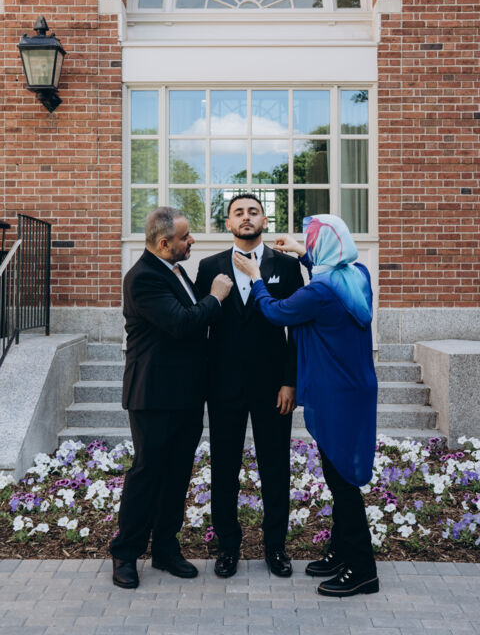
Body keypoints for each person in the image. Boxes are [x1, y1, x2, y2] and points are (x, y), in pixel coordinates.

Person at [233, 214, 379, 597]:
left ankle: (362, 569)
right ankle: (341, 552)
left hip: (336, 393)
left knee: (342, 482)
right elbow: (326, 271)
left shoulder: (319, 293)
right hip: (356, 388)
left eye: (310, 240)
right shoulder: (357, 276)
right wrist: (303, 254)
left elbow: (276, 311)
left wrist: (256, 277)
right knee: (340, 475)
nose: (307, 245)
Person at [110, 206, 233, 589]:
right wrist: (216, 297)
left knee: (178, 473)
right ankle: (125, 553)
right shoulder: (143, 278)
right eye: (185, 237)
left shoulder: (175, 270)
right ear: (164, 243)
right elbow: (182, 323)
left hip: (186, 395)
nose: (191, 240)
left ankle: (165, 548)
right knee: (147, 474)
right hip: (153, 396)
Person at [196, 194, 304, 578]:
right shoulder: (209, 267)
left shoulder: (286, 266)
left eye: (253, 212)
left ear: (264, 220)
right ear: (228, 223)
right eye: (238, 213)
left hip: (273, 387)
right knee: (224, 468)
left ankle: (276, 547)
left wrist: (290, 381)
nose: (246, 217)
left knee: (275, 468)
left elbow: (296, 329)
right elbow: (200, 326)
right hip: (223, 386)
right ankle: (228, 547)